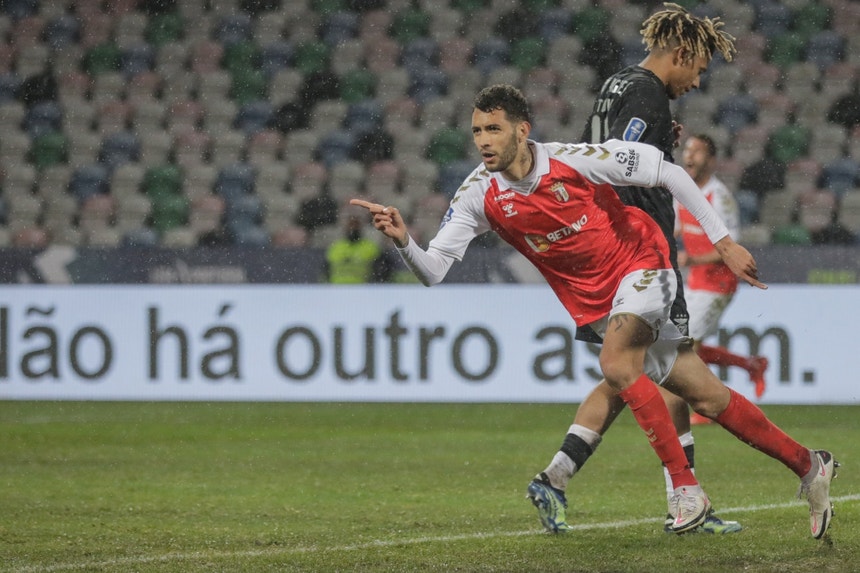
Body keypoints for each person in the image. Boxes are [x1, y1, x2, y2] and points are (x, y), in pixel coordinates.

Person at [351, 84, 837, 539]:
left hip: (643, 264)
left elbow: (667, 171)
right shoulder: (479, 193)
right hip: (599, 303)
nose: (483, 140)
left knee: (616, 366)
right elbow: (433, 270)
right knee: (706, 396)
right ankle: (808, 465)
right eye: (477, 130)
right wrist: (404, 241)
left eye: (493, 128)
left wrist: (723, 242)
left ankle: (685, 491)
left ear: (523, 130)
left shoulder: (574, 159)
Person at [575, 2, 742, 533]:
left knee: (658, 368)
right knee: (669, 375)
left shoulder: (616, 83)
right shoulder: (646, 90)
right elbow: (624, 158)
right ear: (683, 52)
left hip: (608, 243)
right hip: (641, 247)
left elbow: (595, 149)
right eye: (699, 69)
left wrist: (659, 143)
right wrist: (659, 167)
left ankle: (685, 496)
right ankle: (687, 496)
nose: (697, 81)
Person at [676, 134, 769, 425]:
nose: (690, 156)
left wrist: (691, 259)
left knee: (685, 347)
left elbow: (733, 248)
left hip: (718, 283)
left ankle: (708, 406)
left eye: (698, 151)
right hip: (695, 280)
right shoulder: (683, 191)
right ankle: (750, 364)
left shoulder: (721, 197)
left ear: (712, 160)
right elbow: (678, 228)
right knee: (688, 344)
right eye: (687, 149)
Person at [322, 214, 382, 284]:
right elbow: (325, 271)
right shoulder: (335, 247)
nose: (353, 229)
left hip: (362, 289)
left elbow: (379, 271)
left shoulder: (371, 248)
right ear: (345, 228)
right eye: (350, 226)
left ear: (360, 228)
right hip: (337, 288)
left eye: (356, 226)